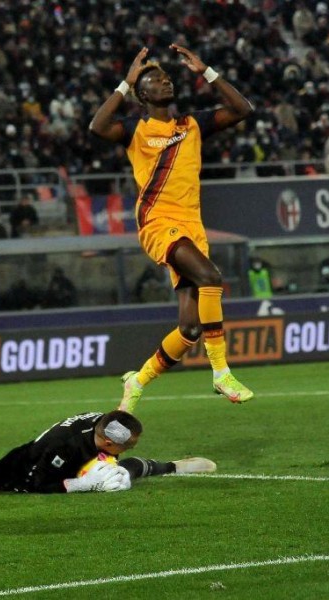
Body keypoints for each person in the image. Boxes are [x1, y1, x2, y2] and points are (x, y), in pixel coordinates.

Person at [89, 44, 255, 411]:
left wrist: (206, 71)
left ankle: (138, 380)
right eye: (155, 80)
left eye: (167, 77)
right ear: (143, 94)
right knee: (211, 277)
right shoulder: (135, 130)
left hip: (192, 226)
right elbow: (98, 126)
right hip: (157, 221)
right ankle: (221, 372)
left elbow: (242, 109)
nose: (165, 81)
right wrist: (124, 82)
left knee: (190, 329)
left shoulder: (192, 124)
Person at [0, 411, 215, 494]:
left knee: (120, 472)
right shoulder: (65, 446)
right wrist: (81, 485)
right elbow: (38, 485)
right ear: (110, 443)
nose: (131, 446)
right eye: (128, 445)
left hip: (76, 459)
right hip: (23, 468)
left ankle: (174, 466)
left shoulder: (105, 424)